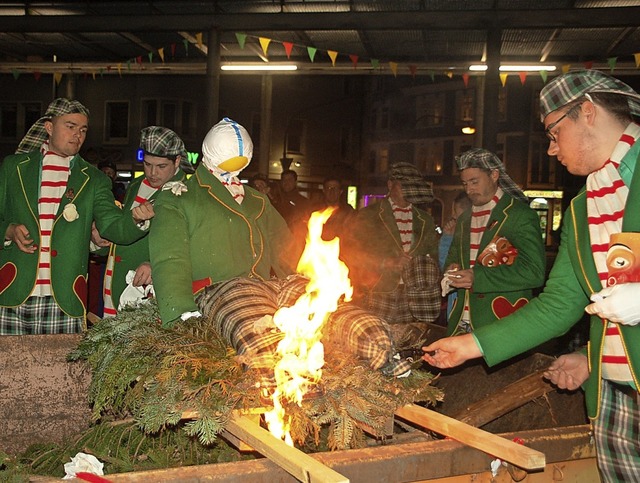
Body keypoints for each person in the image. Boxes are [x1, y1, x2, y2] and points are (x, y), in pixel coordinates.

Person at [423, 70, 640, 482]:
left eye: (554, 133)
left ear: (587, 113)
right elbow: (559, 305)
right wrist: (469, 346)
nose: (552, 149)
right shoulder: (583, 206)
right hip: (613, 399)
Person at [149, 118, 414, 379]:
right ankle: (279, 383)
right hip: (223, 287)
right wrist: (181, 315)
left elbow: (286, 248)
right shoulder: (181, 197)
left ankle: (385, 355)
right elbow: (170, 259)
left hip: (274, 284)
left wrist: (316, 282)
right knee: (259, 333)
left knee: (341, 315)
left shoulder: (256, 199)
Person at [0, 98, 154, 335]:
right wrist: (8, 231)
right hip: (12, 291)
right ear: (49, 128)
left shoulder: (94, 179)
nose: (78, 135)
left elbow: (113, 225)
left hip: (66, 298)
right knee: (8, 371)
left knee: (59, 373)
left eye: (82, 130)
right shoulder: (13, 168)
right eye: (70, 126)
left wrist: (135, 219)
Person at [442, 148, 546, 335]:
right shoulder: (464, 219)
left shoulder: (519, 215)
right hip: (460, 320)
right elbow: (453, 258)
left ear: (494, 175)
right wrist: (452, 269)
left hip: (502, 323)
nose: (469, 189)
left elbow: (534, 272)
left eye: (474, 182)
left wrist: (477, 278)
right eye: (465, 183)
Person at [348, 162, 441, 348]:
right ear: (390, 185)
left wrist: (422, 268)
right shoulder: (369, 215)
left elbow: (434, 256)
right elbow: (352, 254)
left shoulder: (426, 219)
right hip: (378, 291)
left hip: (414, 296)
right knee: (376, 345)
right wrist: (385, 263)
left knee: (410, 346)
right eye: (403, 185)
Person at [97, 126, 188, 317]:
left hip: (147, 292)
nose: (152, 173)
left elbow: (189, 242)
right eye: (147, 164)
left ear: (177, 161)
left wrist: (156, 264)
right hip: (115, 283)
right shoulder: (137, 185)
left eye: (161, 166)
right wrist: (102, 240)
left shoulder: (185, 192)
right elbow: (122, 228)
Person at [314, 176, 355, 242]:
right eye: (329, 188)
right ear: (324, 191)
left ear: (340, 191)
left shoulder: (348, 211)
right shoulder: (314, 210)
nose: (332, 191)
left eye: (335, 188)